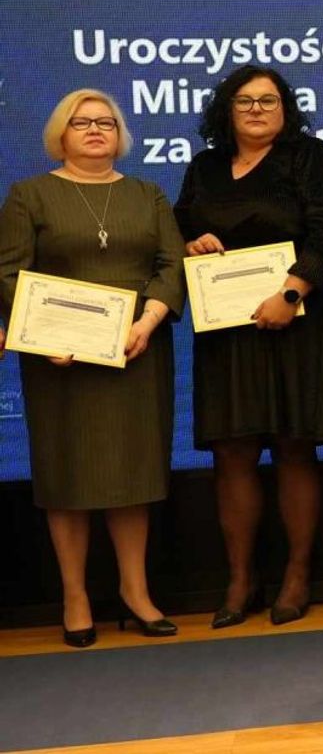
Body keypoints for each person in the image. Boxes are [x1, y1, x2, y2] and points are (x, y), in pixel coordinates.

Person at [0, 89, 185, 646]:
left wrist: (147, 322)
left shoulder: (148, 194)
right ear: (60, 134)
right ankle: (75, 596)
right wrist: (45, 337)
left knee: (133, 474)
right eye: (82, 123)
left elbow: (171, 264)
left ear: (120, 135)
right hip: (59, 362)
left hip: (135, 352)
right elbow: (9, 274)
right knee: (67, 475)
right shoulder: (29, 196)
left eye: (106, 122)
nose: (96, 130)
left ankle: (135, 590)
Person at [175, 65, 323, 629]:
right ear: (226, 110)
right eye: (245, 101)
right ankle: (240, 580)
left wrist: (291, 293)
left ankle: (297, 577)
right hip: (227, 330)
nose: (256, 110)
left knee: (295, 446)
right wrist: (193, 243)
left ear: (286, 108)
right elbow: (180, 230)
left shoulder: (310, 158)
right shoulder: (204, 167)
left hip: (296, 319)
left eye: (268, 101)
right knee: (232, 451)